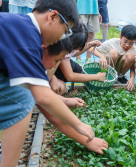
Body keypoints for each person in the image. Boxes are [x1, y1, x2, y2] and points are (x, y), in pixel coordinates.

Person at [0, 0, 94, 166]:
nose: (62, 38)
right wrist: (79, 125)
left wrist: (64, 100)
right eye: (65, 31)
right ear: (52, 16)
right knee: (24, 99)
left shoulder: (21, 27)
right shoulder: (27, 36)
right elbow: (42, 96)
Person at [38, 40, 108, 155]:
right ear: (44, 48)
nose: (55, 66)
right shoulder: (31, 71)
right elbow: (50, 111)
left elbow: (42, 95)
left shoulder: (36, 68)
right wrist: (81, 131)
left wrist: (65, 100)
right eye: (56, 61)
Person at [51, 24, 106, 95]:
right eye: (76, 47)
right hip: (50, 71)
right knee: (62, 87)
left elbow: (75, 53)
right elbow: (70, 76)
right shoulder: (62, 49)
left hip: (59, 65)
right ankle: (59, 83)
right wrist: (96, 77)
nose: (78, 49)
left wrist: (89, 45)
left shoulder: (69, 43)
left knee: (78, 70)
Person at [89, 25, 136, 91]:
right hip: (107, 67)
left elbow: (132, 66)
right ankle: (109, 77)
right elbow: (90, 48)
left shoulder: (134, 49)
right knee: (113, 52)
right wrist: (101, 56)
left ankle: (120, 77)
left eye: (131, 43)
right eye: (125, 41)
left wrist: (132, 78)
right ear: (120, 37)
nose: (127, 45)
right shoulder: (112, 42)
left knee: (131, 55)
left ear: (135, 42)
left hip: (118, 70)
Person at [76, 0, 101, 65]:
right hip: (80, 9)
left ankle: (88, 59)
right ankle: (78, 58)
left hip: (94, 9)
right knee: (79, 33)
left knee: (91, 34)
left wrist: (98, 12)